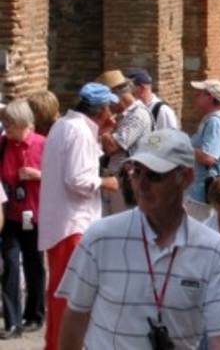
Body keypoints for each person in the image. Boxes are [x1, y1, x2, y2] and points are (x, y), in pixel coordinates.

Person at [56, 128, 220, 349]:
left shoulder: (215, 252)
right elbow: (75, 317)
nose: (141, 184)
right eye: (136, 172)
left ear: (186, 178)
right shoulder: (100, 237)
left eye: (155, 175)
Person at [39, 82, 120, 350]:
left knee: (61, 294)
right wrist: (106, 183)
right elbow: (77, 179)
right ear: (101, 110)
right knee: (70, 296)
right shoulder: (79, 132)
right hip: (73, 224)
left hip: (62, 223)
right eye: (110, 108)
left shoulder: (64, 126)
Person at [0, 99, 43, 338]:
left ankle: (34, 315)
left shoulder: (42, 144)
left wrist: (38, 175)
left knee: (34, 265)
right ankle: (12, 322)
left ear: (23, 123)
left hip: (36, 215)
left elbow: (60, 179)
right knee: (10, 266)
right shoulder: (3, 144)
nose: (6, 127)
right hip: (10, 216)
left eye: (10, 124)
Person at [96, 69, 154, 213]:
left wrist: (103, 130)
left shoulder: (137, 115)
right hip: (115, 181)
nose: (106, 106)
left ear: (116, 95)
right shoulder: (123, 115)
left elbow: (113, 147)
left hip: (127, 183)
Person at [187, 79, 220, 221]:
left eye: (200, 93)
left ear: (210, 97)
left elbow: (209, 157)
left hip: (205, 194)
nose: (196, 95)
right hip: (211, 191)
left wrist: (184, 147)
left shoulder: (214, 122)